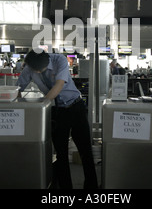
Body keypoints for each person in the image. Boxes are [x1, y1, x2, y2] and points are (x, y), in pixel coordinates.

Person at [16, 49, 98, 189]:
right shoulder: (30, 67)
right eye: (34, 71)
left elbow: (59, 84)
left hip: (75, 106)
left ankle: (92, 187)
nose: (36, 73)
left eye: (39, 71)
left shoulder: (59, 60)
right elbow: (18, 88)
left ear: (47, 61)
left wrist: (43, 104)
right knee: (61, 153)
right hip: (56, 111)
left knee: (85, 150)